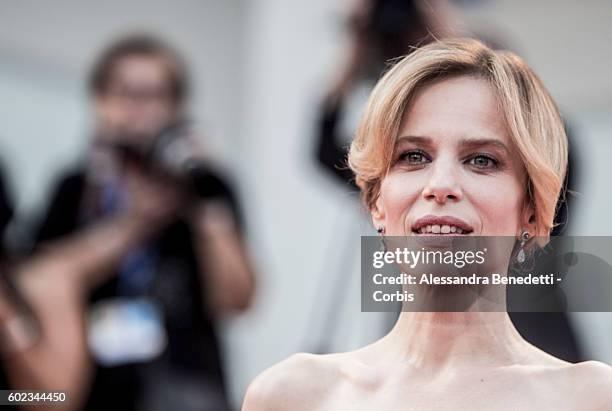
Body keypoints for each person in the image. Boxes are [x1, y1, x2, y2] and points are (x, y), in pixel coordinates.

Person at [243, 38, 612, 409]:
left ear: (531, 208)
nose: (440, 186)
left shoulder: (590, 397)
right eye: (413, 156)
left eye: (481, 160)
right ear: (375, 202)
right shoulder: (293, 396)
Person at [33, 35, 256, 410]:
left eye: (153, 95)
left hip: (189, 385)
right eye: (125, 93)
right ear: (100, 102)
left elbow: (238, 300)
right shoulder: (75, 187)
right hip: (88, 385)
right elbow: (39, 281)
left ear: (177, 107)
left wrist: (199, 198)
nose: (138, 110)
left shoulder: (208, 185)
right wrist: (133, 225)